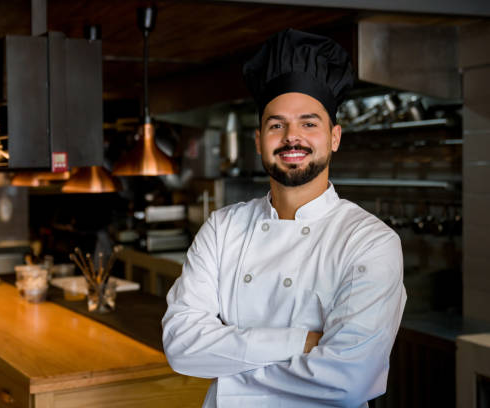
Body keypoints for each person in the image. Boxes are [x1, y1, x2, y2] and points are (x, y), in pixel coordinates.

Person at [161, 29, 406, 408]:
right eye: (277, 125)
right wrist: (303, 342)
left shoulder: (370, 242)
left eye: (309, 123)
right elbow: (181, 345)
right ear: (259, 140)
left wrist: (228, 380)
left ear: (335, 136)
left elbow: (349, 381)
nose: (293, 138)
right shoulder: (223, 227)